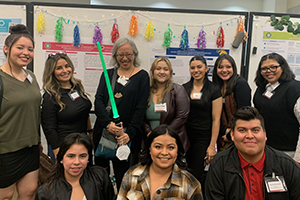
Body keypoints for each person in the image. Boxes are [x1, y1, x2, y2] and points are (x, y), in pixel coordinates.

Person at [205, 106, 300, 200]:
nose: (249, 136)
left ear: (265, 135)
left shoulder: (286, 165)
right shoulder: (219, 165)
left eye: (255, 130)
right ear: (232, 135)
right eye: (242, 130)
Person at [93, 37, 150, 189]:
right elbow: (98, 100)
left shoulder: (142, 76)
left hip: (127, 137)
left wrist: (129, 134)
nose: (125, 58)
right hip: (104, 133)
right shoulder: (108, 74)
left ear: (135, 54)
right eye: (120, 55)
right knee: (101, 178)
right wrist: (107, 124)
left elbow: (140, 108)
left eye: (129, 54)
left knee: (124, 180)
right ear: (115, 56)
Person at [0, 24, 41, 199]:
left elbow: (34, 111)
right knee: (6, 196)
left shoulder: (31, 77)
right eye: (20, 48)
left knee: (29, 192)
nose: (26, 53)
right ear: (6, 49)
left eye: (30, 49)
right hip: (5, 149)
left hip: (30, 147)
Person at [117, 124, 203, 200]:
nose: (164, 153)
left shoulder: (191, 184)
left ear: (177, 151)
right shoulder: (131, 175)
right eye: (158, 147)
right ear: (150, 149)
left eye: (171, 147)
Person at [41, 52, 92, 161]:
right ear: (52, 72)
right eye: (59, 68)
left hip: (83, 144)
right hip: (64, 148)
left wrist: (90, 132)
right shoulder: (50, 96)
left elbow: (84, 112)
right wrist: (58, 152)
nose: (65, 70)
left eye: (67, 66)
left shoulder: (77, 86)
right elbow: (49, 128)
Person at [182, 55, 222, 189]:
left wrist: (212, 145)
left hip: (203, 137)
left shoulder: (214, 90)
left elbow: (216, 119)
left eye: (199, 67)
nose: (196, 70)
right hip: (186, 136)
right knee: (185, 171)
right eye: (192, 67)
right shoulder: (184, 88)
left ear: (206, 68)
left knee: (197, 173)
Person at [36, 133, 114, 199]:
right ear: (61, 158)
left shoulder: (100, 176)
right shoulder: (46, 191)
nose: (77, 162)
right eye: (71, 156)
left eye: (82, 156)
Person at [253, 52, 300, 161]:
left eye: (273, 67)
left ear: (283, 67)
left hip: (289, 153)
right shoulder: (261, 89)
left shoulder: (294, 89)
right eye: (264, 68)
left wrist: (298, 159)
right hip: (266, 149)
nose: (268, 71)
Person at [143, 57, 190, 151]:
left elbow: (182, 116)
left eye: (165, 69)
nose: (162, 72)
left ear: (170, 72)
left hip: (173, 141)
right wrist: (149, 132)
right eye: (158, 68)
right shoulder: (145, 90)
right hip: (150, 140)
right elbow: (139, 115)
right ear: (152, 71)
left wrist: (163, 134)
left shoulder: (178, 90)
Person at [212, 54, 251, 151]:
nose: (224, 70)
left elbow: (244, 114)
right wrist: (224, 131)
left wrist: (230, 134)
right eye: (220, 67)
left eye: (228, 67)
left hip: (238, 135)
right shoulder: (216, 87)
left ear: (233, 68)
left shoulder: (240, 84)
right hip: (222, 136)